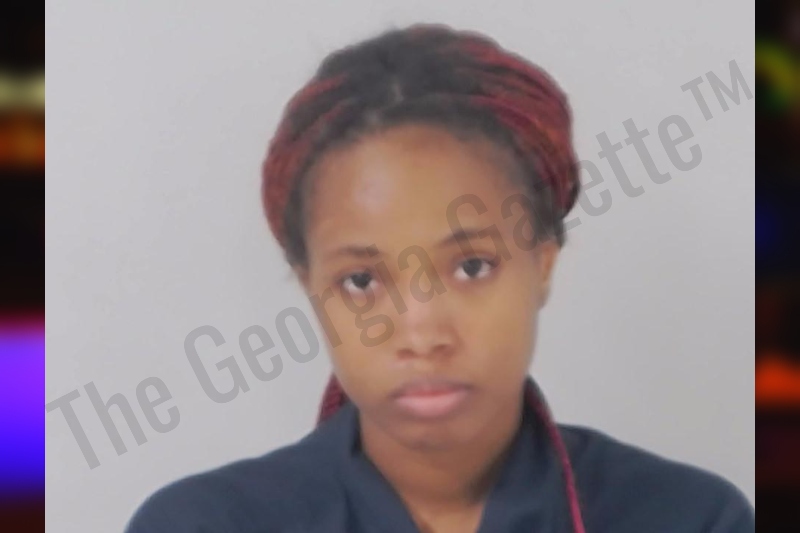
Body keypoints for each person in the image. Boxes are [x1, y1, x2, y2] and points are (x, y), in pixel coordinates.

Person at [125, 23, 754, 533]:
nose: (421, 333)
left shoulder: (690, 519)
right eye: (361, 281)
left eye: (472, 266)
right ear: (310, 288)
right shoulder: (201, 525)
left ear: (542, 262)